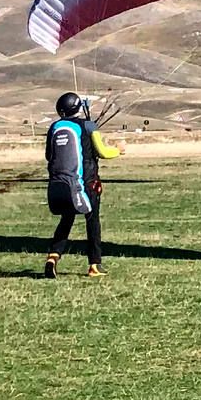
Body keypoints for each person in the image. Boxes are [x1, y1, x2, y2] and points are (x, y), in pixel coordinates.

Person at [44, 92, 119, 279]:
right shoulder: (88, 126)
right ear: (78, 108)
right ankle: (94, 265)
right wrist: (119, 149)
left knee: (66, 219)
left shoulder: (54, 127)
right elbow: (104, 152)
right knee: (92, 221)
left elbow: (49, 155)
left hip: (62, 183)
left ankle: (53, 257)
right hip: (87, 183)